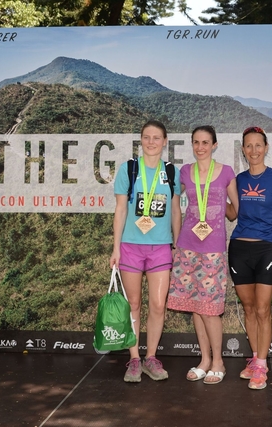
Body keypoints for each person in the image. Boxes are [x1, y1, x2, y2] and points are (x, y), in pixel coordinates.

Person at [110, 120, 181, 383]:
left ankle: (151, 357)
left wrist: (176, 245)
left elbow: (176, 211)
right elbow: (120, 210)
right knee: (134, 304)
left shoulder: (171, 172)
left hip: (161, 247)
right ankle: (134, 359)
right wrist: (116, 248)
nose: (151, 142)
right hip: (130, 247)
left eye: (156, 137)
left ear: (165, 141)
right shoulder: (128, 169)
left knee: (158, 305)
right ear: (141, 140)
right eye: (147, 137)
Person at [167, 125, 239, 385]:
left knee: (210, 309)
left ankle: (218, 361)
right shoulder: (185, 172)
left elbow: (235, 211)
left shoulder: (227, 172)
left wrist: (217, 204)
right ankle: (205, 360)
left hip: (213, 249)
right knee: (196, 307)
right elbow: (173, 202)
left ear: (214, 144)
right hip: (187, 246)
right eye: (196, 142)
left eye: (205, 142)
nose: (200, 147)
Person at [228, 126, 272, 390]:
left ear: (266, 148)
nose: (253, 150)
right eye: (248, 145)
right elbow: (232, 214)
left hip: (267, 248)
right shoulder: (237, 180)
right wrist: (212, 195)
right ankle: (255, 358)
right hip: (239, 249)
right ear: (243, 150)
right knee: (248, 308)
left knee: (263, 309)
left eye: (258, 145)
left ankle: (261, 365)